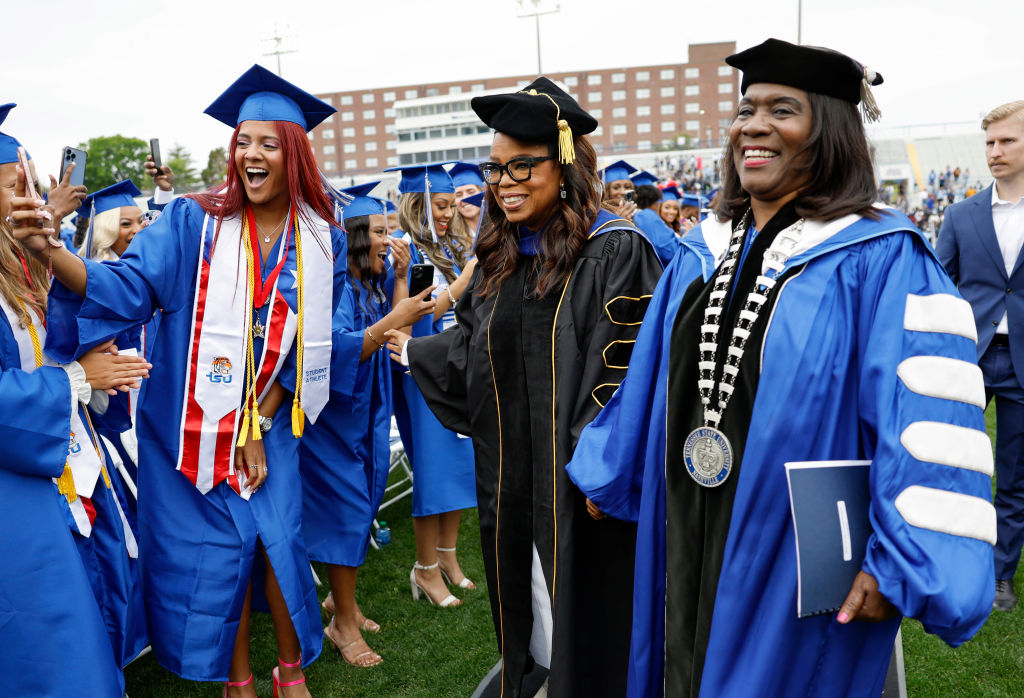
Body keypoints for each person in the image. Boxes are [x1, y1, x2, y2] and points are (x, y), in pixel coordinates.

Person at [566, 39, 997, 697]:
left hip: (797, 545)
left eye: (782, 109)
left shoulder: (882, 255)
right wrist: (613, 465)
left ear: (828, 130)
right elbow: (655, 372)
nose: (754, 125)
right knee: (675, 659)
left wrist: (901, 558)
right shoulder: (700, 249)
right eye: (746, 110)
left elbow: (925, 412)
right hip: (686, 515)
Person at [14, 65, 347, 697]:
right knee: (217, 553)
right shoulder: (193, 224)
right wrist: (51, 251)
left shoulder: (320, 241)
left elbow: (307, 353)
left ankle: (292, 669)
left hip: (269, 422)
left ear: (295, 154)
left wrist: (259, 420)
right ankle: (239, 677)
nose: (250, 154)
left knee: (277, 540)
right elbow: (125, 289)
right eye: (243, 141)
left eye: (268, 143)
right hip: (191, 424)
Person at [386, 77, 663, 697]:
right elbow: (478, 352)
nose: (504, 182)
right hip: (511, 480)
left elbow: (631, 374)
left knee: (596, 622)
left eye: (521, 167)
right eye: (495, 168)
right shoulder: (500, 258)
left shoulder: (615, 251)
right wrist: (413, 351)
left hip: (582, 490)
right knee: (532, 609)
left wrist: (607, 470)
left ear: (563, 166)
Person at [1, 103, 151, 698]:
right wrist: (76, 380)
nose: (33, 196)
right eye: (19, 185)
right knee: (53, 644)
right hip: (18, 493)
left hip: (61, 462)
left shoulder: (19, 272)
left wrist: (97, 367)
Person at [300, 183, 435, 667]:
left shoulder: (370, 284)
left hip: (366, 414)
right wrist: (390, 318)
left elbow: (394, 330)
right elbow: (336, 350)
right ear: (355, 235)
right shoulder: (336, 288)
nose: (389, 238)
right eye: (380, 231)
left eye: (390, 228)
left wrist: (400, 280)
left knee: (363, 503)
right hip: (334, 421)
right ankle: (344, 622)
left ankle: (342, 601)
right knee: (346, 512)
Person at [936, 100, 1024, 612]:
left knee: (1014, 473)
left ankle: (999, 574)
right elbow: (937, 284)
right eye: (990, 142)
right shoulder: (960, 213)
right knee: (951, 459)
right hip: (966, 357)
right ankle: (944, 559)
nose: (995, 151)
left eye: (1007, 141)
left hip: (1022, 363)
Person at [385, 163, 478, 608]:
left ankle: (448, 558)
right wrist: (459, 287)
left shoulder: (450, 247)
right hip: (418, 368)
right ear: (418, 204)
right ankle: (423, 569)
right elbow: (409, 314)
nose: (448, 214)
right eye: (440, 206)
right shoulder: (403, 251)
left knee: (459, 464)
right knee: (433, 469)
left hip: (455, 363)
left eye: (451, 206)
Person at [633, 183, 678, 265]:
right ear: (656, 202)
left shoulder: (640, 215)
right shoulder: (647, 216)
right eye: (667, 207)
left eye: (675, 208)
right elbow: (667, 249)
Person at [450, 161, 485, 236]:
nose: (465, 198)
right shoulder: (450, 236)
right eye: (458, 195)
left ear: (482, 193)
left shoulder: (499, 227)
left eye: (471, 192)